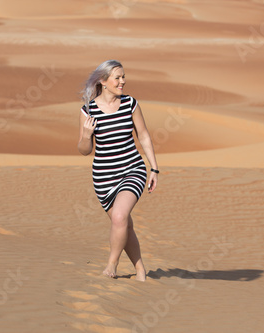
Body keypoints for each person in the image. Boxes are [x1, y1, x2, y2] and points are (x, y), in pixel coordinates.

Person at [78, 60, 159, 282]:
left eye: (124, 77)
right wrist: (86, 135)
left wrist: (154, 168)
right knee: (123, 225)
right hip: (104, 179)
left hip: (132, 169)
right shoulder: (88, 111)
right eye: (117, 77)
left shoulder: (130, 104)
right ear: (103, 81)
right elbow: (84, 150)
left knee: (120, 217)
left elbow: (143, 135)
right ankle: (140, 269)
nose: (122, 81)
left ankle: (111, 266)